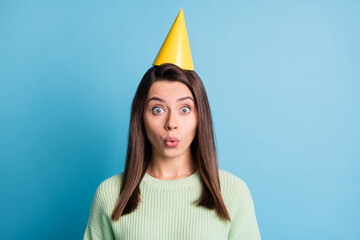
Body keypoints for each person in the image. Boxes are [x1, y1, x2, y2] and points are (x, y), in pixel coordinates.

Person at [83, 9, 261, 240]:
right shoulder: (110, 194)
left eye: (184, 109)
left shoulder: (233, 193)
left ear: (200, 117)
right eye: (158, 109)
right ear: (141, 117)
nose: (171, 123)